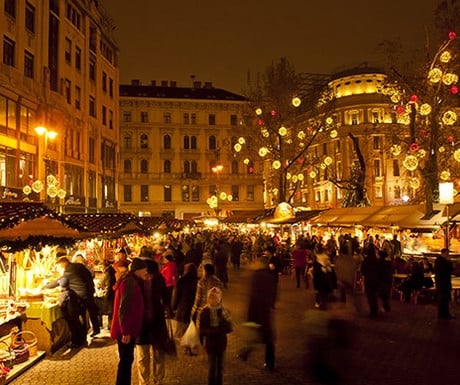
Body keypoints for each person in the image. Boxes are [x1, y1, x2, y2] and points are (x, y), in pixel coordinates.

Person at [111, 258, 148, 385]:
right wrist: (125, 331)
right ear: (138, 270)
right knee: (126, 361)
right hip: (125, 330)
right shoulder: (131, 283)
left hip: (127, 329)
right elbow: (124, 308)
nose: (146, 273)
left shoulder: (131, 281)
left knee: (126, 360)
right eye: (144, 270)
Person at [237, 255, 277, 371]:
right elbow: (273, 293)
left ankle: (246, 352)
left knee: (258, 337)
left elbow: (253, 296)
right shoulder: (270, 276)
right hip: (265, 311)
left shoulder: (257, 276)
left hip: (257, 311)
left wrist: (249, 315)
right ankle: (269, 363)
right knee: (268, 339)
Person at [45, 255, 100, 338]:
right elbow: (90, 274)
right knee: (90, 312)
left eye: (59, 266)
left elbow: (59, 281)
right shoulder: (79, 266)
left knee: (80, 316)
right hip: (89, 292)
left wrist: (45, 286)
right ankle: (95, 330)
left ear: (63, 263)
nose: (59, 268)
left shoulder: (68, 271)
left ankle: (82, 336)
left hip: (80, 296)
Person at [135, 258, 169, 385]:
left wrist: (166, 307)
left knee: (158, 355)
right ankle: (144, 382)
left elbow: (166, 298)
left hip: (157, 323)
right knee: (143, 357)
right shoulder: (137, 282)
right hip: (142, 325)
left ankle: (158, 381)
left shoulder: (159, 280)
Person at [199, 287, 233, 385]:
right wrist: (213, 332)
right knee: (212, 368)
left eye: (215, 297)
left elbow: (230, 328)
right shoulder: (204, 311)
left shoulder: (224, 311)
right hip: (210, 344)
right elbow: (202, 330)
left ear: (220, 298)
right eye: (211, 297)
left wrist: (220, 329)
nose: (213, 300)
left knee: (220, 369)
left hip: (221, 343)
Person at [171, 263, 199, 352]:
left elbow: (176, 295)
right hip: (194, 307)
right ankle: (190, 346)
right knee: (192, 325)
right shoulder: (198, 281)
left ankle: (187, 347)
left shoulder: (181, 281)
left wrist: (174, 306)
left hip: (184, 307)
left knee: (184, 327)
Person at [434, 248, 454, 319]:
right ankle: (443, 314)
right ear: (443, 253)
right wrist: (449, 262)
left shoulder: (440, 260)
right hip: (442, 283)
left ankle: (445, 314)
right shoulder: (440, 261)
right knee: (443, 299)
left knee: (445, 299)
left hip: (444, 282)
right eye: (447, 253)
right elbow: (447, 270)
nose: (448, 255)